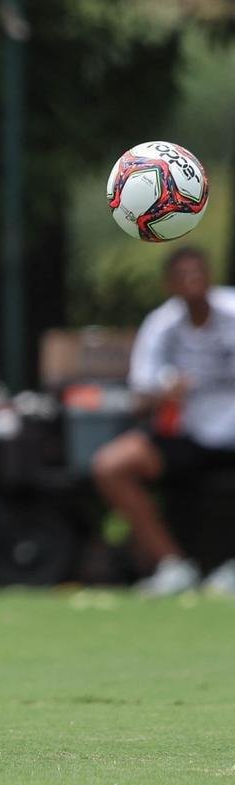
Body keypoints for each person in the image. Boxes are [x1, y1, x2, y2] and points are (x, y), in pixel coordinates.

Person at [92, 247, 235, 596]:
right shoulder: (161, 325)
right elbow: (140, 397)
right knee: (111, 465)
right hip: (187, 435)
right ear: (169, 285)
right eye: (183, 277)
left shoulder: (231, 311)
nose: (193, 283)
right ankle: (172, 565)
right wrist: (165, 394)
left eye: (198, 274)